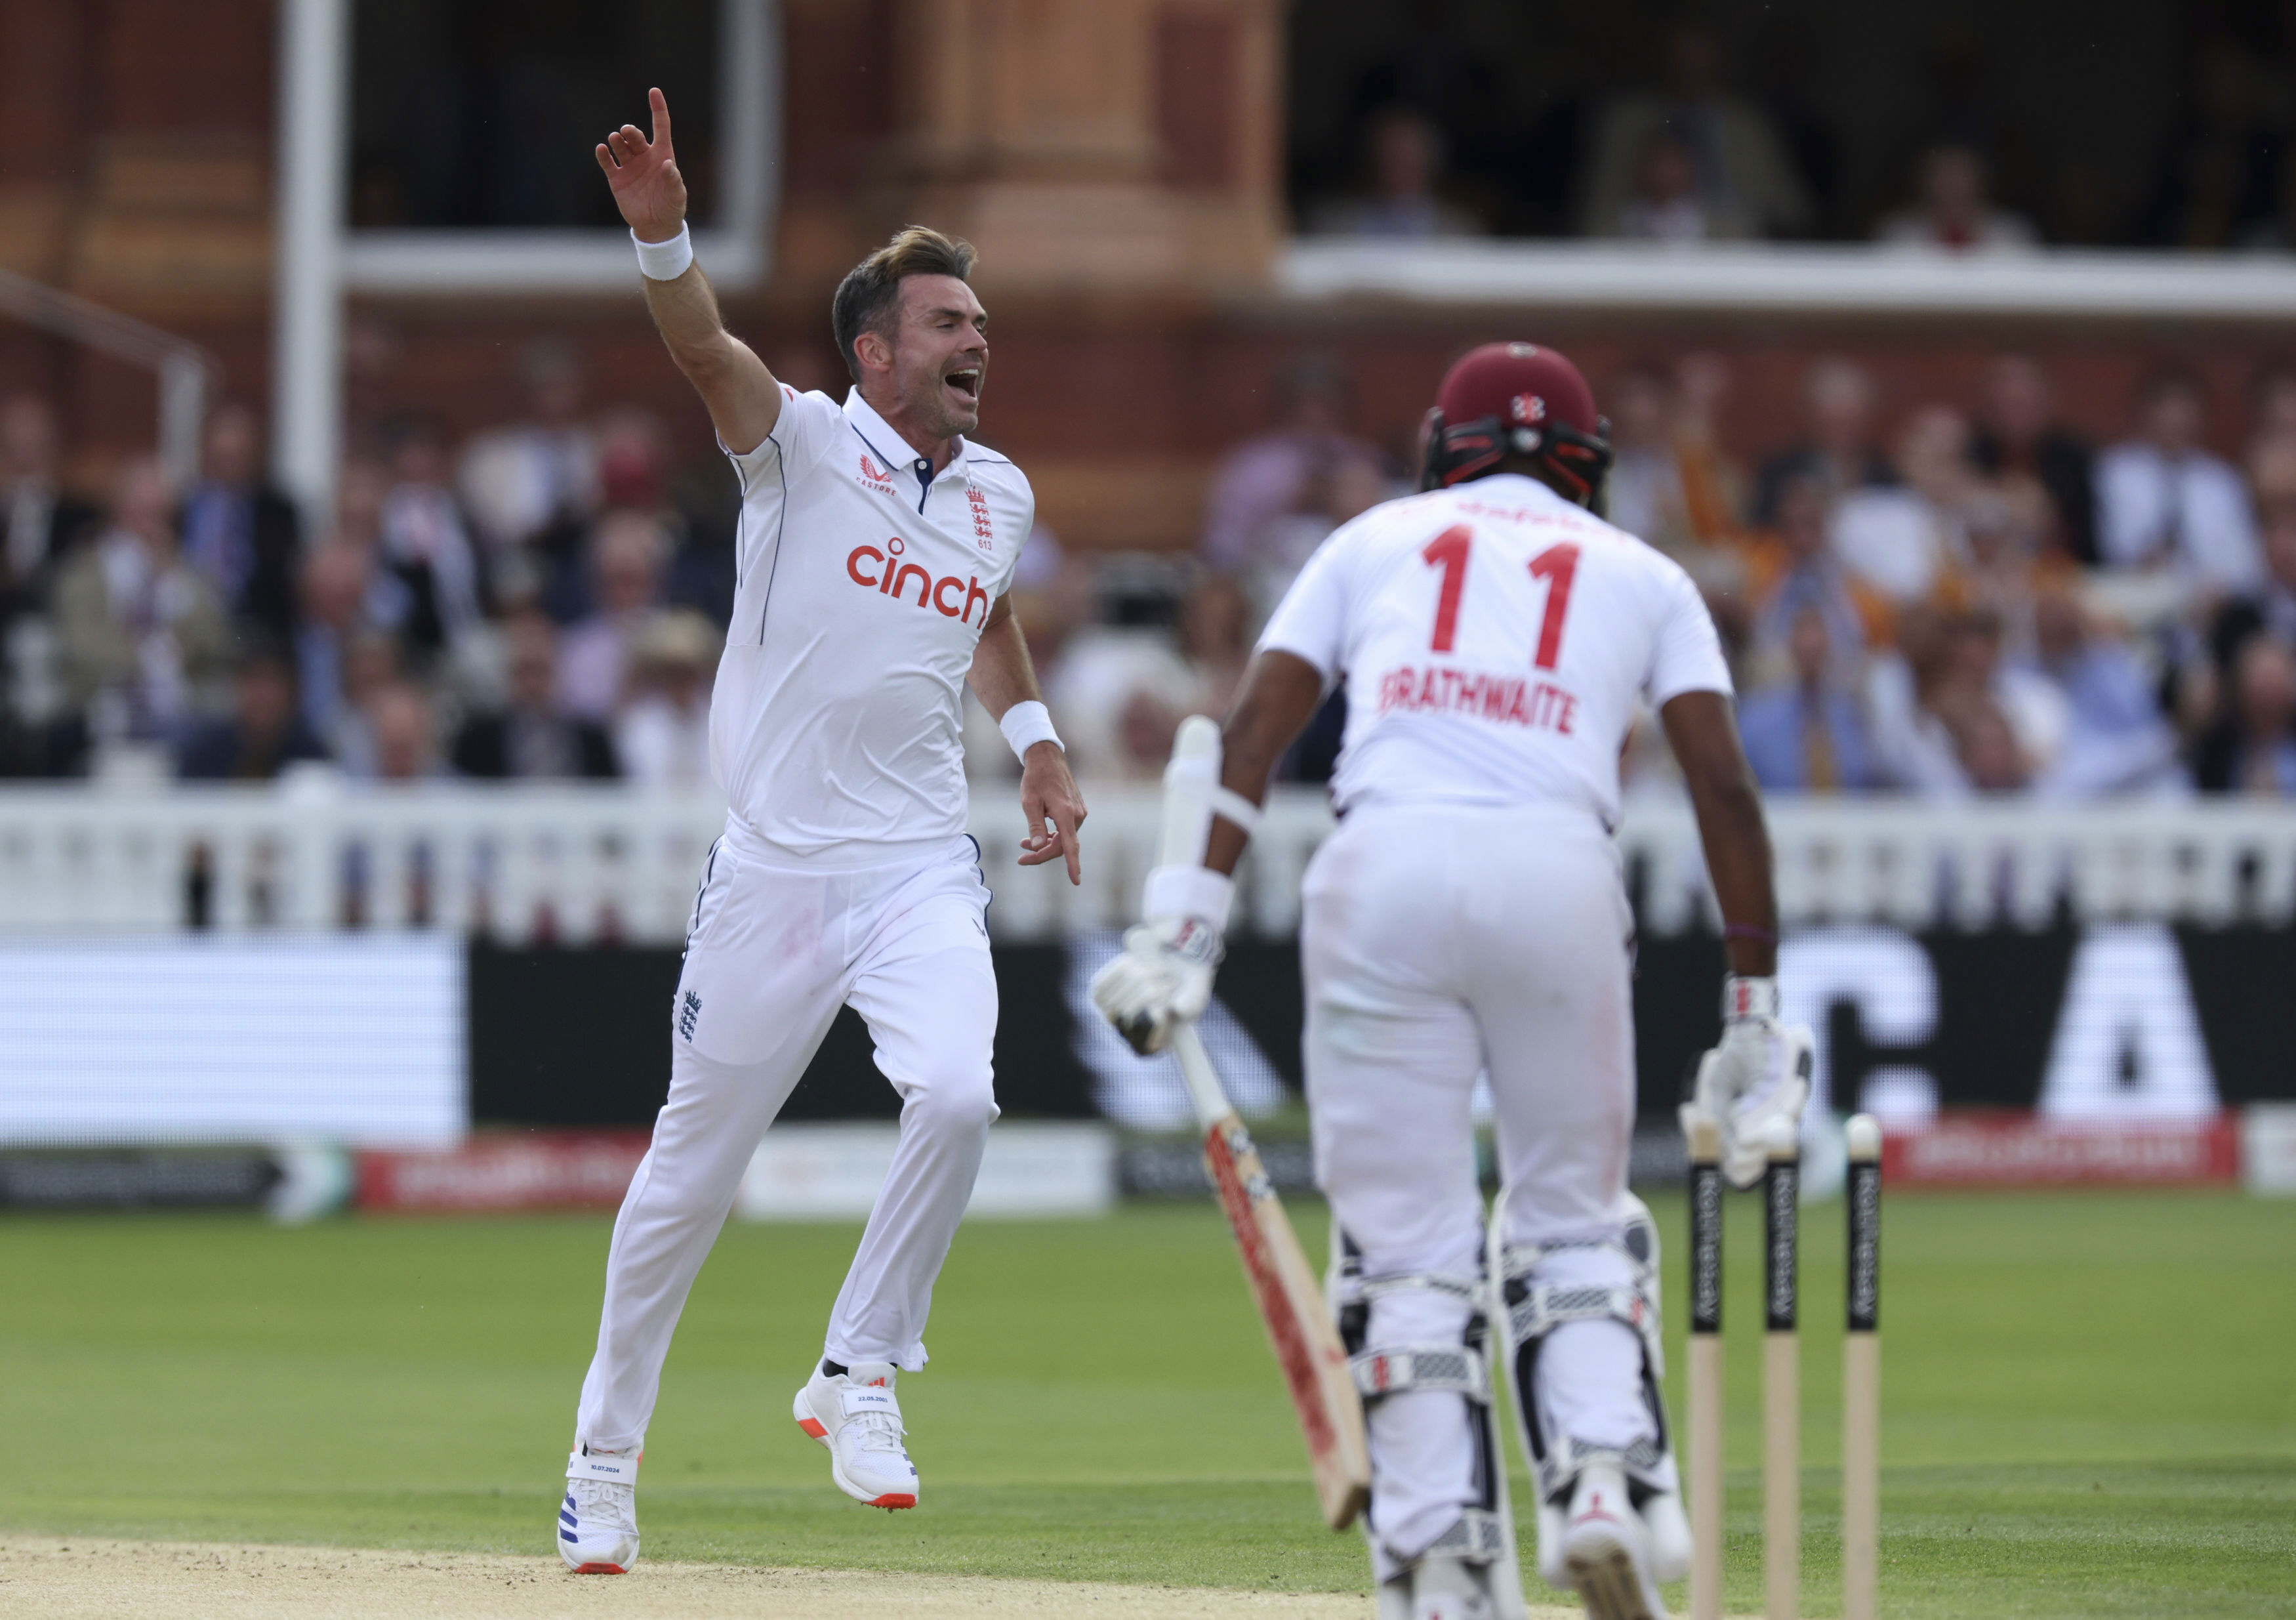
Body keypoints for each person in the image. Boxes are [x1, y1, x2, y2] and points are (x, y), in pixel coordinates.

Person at [1092, 343, 1807, 1620]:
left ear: (1442, 446)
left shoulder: (1374, 537)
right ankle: (1597, 1479)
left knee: (1404, 1252)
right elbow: (1724, 788)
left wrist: (1181, 930)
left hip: (1381, 875)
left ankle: (1436, 1560)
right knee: (1572, 1219)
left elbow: (1252, 732)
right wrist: (1754, 1010)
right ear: (1584, 463)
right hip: (1556, 874)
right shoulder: (1646, 574)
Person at [556, 90, 1087, 1575]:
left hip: (921, 864)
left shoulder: (999, 493)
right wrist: (663, 236)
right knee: (685, 1181)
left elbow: (983, 614)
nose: (976, 341)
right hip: (775, 875)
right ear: (876, 352)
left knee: (961, 1097)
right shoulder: (793, 442)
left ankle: (857, 1368)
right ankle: (601, 1464)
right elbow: (705, 352)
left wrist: (1038, 747)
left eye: (981, 322)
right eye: (946, 322)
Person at [2094, 368, 2263, 591]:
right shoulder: (2112, 470)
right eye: (2166, 408)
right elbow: (2104, 547)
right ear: (2145, 411)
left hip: (2213, 602)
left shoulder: (2223, 480)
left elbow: (2246, 560)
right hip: (2131, 596)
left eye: (2185, 409)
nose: (2175, 419)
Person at [178, 402, 303, 640]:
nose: (229, 462)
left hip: (256, 634)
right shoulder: (181, 508)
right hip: (190, 631)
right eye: (222, 456)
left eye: (237, 455)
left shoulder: (279, 512)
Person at [451, 611, 619, 781]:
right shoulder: (478, 741)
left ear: (560, 673)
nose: (532, 683)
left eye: (541, 671)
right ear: (508, 675)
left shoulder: (593, 738)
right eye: (525, 671)